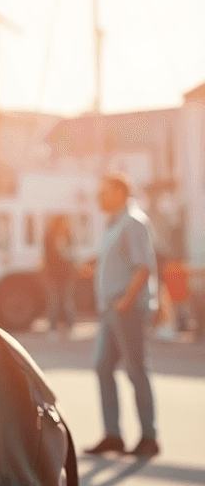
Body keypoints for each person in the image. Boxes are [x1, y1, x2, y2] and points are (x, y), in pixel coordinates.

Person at [83, 172, 160, 458]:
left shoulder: (134, 222)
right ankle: (113, 435)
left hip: (127, 309)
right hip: (111, 310)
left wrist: (125, 301)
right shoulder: (113, 224)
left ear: (119, 192)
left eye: (103, 193)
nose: (99, 198)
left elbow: (144, 267)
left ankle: (149, 437)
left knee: (136, 370)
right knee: (103, 368)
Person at [42, 214, 77, 335]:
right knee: (54, 301)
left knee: (67, 300)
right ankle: (53, 327)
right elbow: (48, 258)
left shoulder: (68, 237)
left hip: (67, 275)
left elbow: (71, 254)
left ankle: (70, 325)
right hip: (53, 275)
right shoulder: (49, 237)